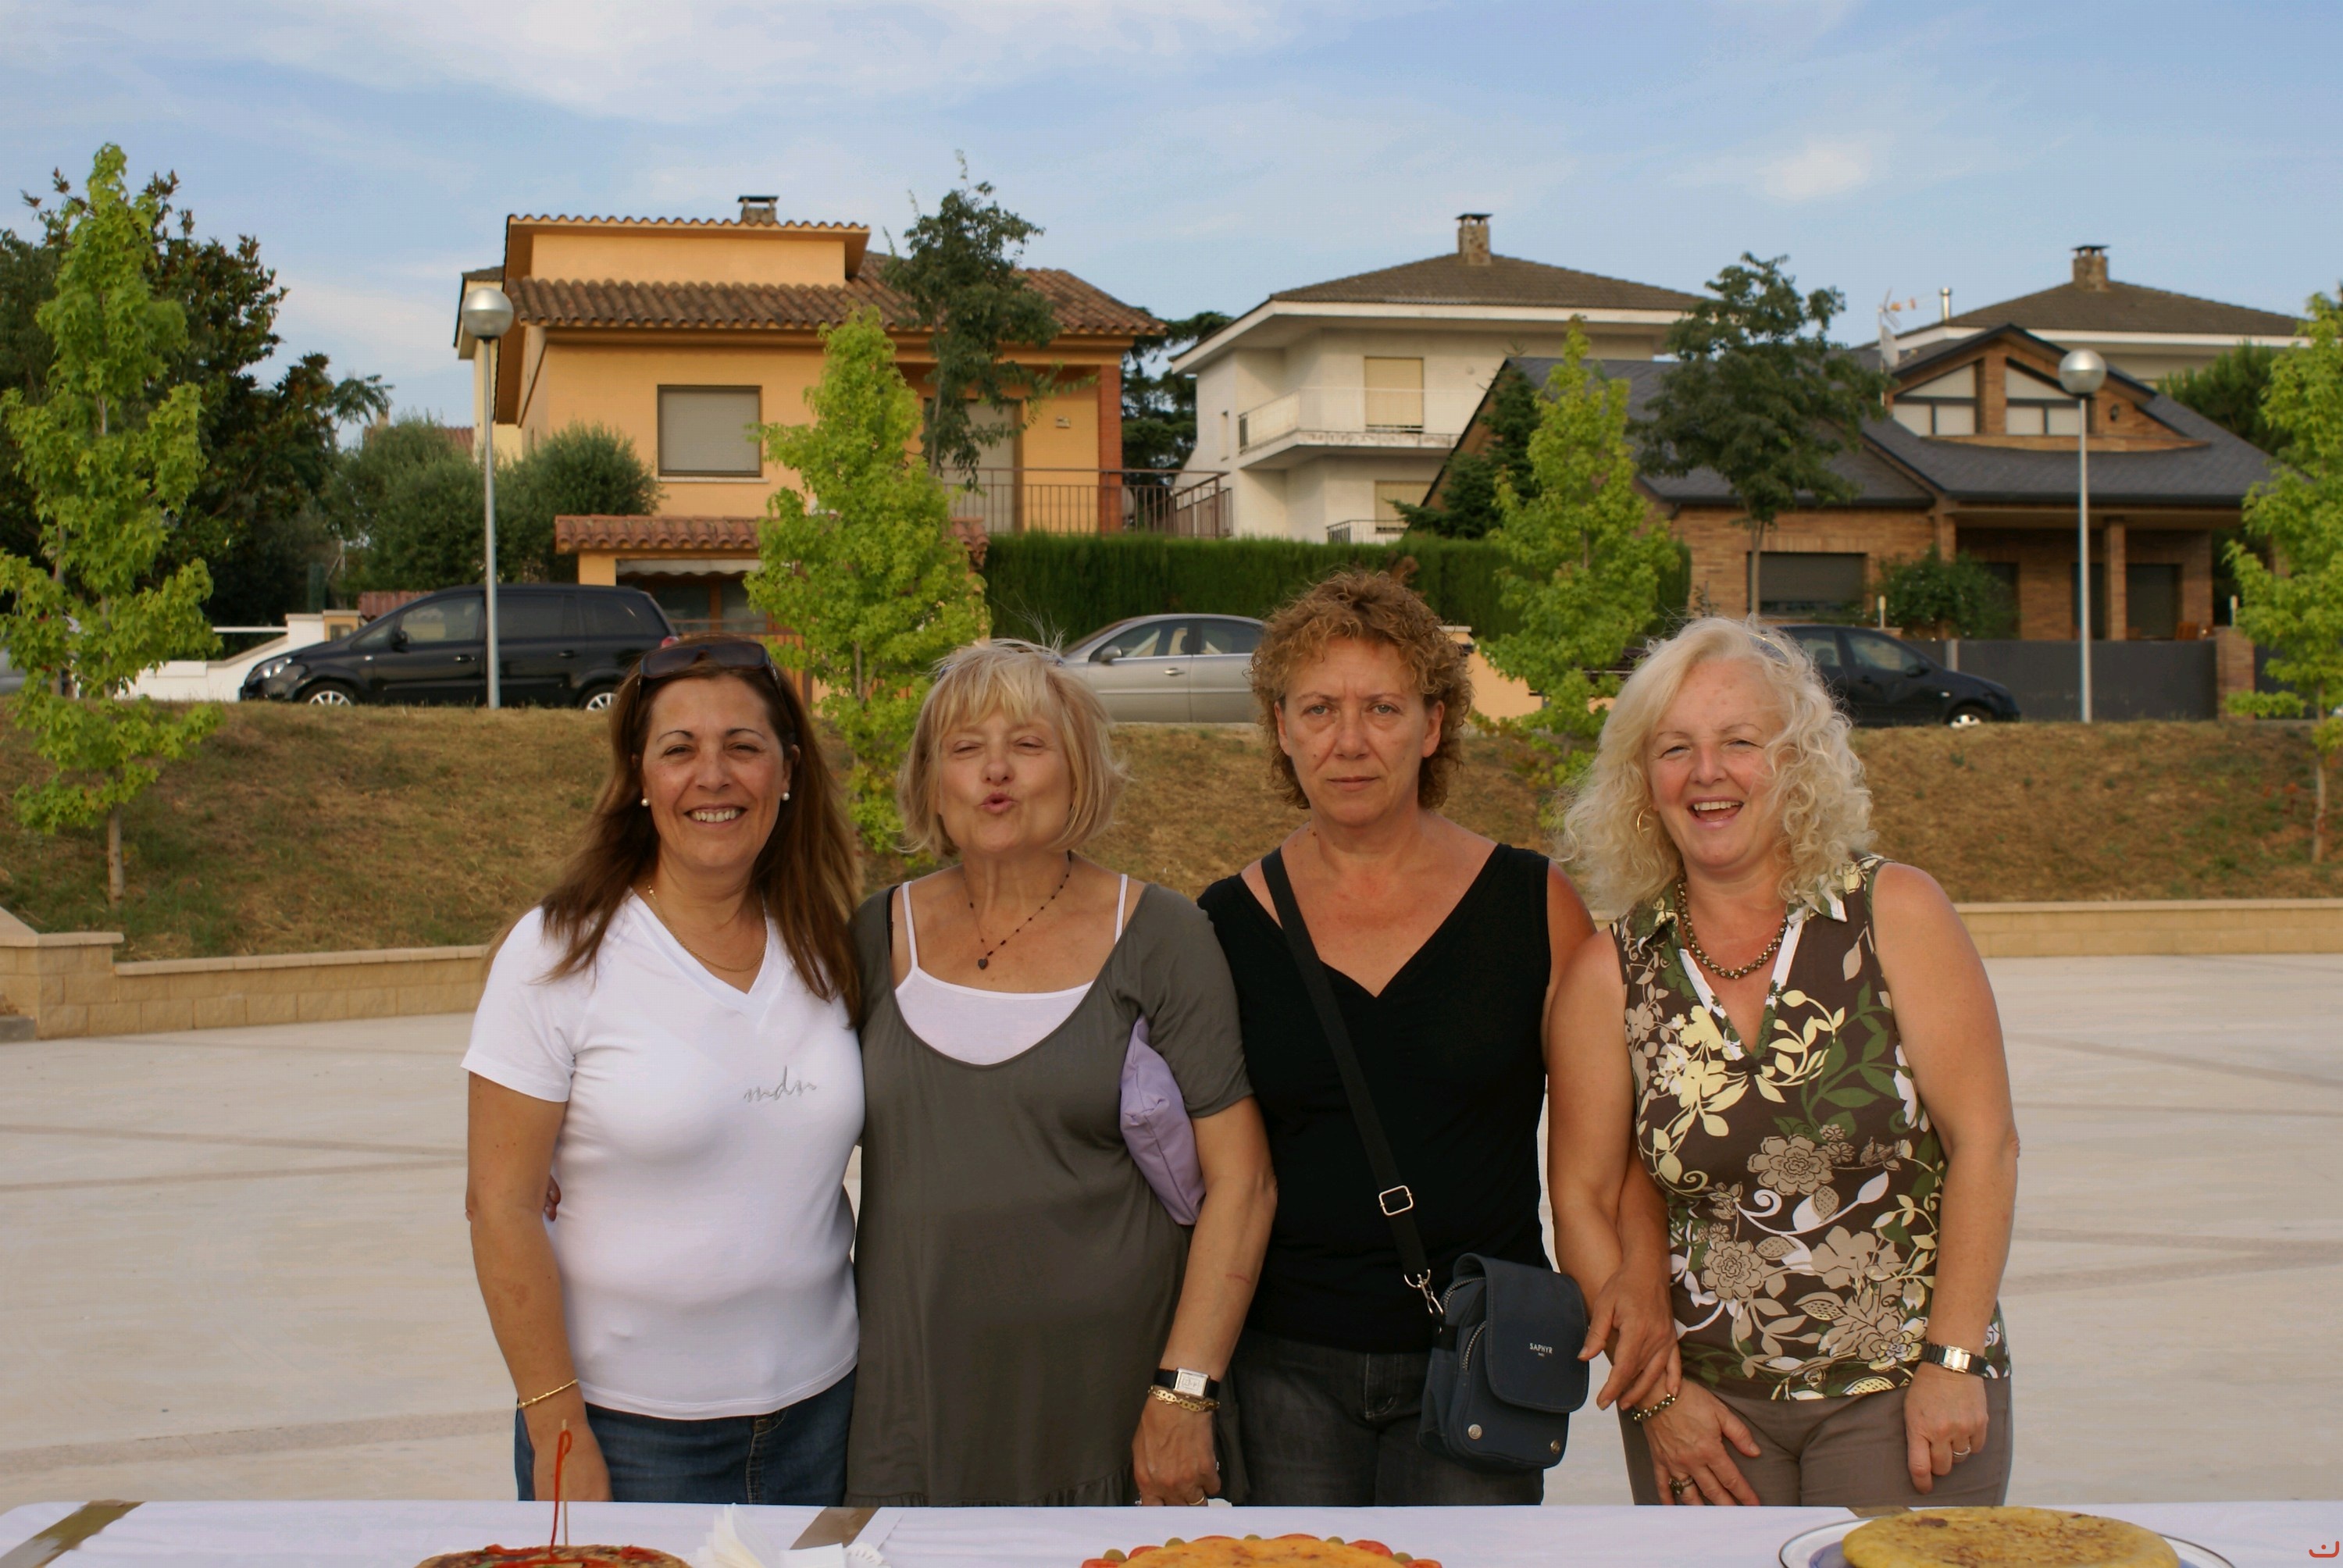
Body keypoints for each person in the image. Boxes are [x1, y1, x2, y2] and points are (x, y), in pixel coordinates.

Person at [1195, 570, 1676, 1506]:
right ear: (1281, 728)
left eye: (1383, 707)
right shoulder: (1224, 924)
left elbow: (1613, 1148)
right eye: (1319, 709)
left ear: (1434, 724)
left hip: (1481, 1360)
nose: (1349, 741)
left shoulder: (1532, 906)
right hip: (1285, 1365)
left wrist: (1638, 1281)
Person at [1549, 617, 2019, 1509]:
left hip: (1905, 1394)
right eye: (1675, 748)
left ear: (1797, 761)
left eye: (1740, 742)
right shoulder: (1610, 972)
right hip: (1707, 1416)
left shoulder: (1895, 913)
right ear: (1642, 781)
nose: (1707, 772)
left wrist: (1954, 1361)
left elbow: (1986, 1144)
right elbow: (1582, 1195)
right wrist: (1656, 1399)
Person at [847, 640, 1276, 1508]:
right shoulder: (872, 934)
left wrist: (1183, 1393)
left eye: (1028, 744)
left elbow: (1245, 1183)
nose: (995, 771)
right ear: (932, 780)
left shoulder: (1162, 936)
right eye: (965, 748)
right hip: (914, 1403)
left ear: (1078, 770)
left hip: (1106, 1406)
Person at [464, 635, 865, 1506]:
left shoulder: (829, 943)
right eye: (679, 750)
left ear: (788, 771)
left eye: (743, 746)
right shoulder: (557, 952)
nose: (712, 776)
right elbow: (500, 1207)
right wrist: (557, 1424)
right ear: (640, 777)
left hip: (826, 1416)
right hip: (628, 1432)